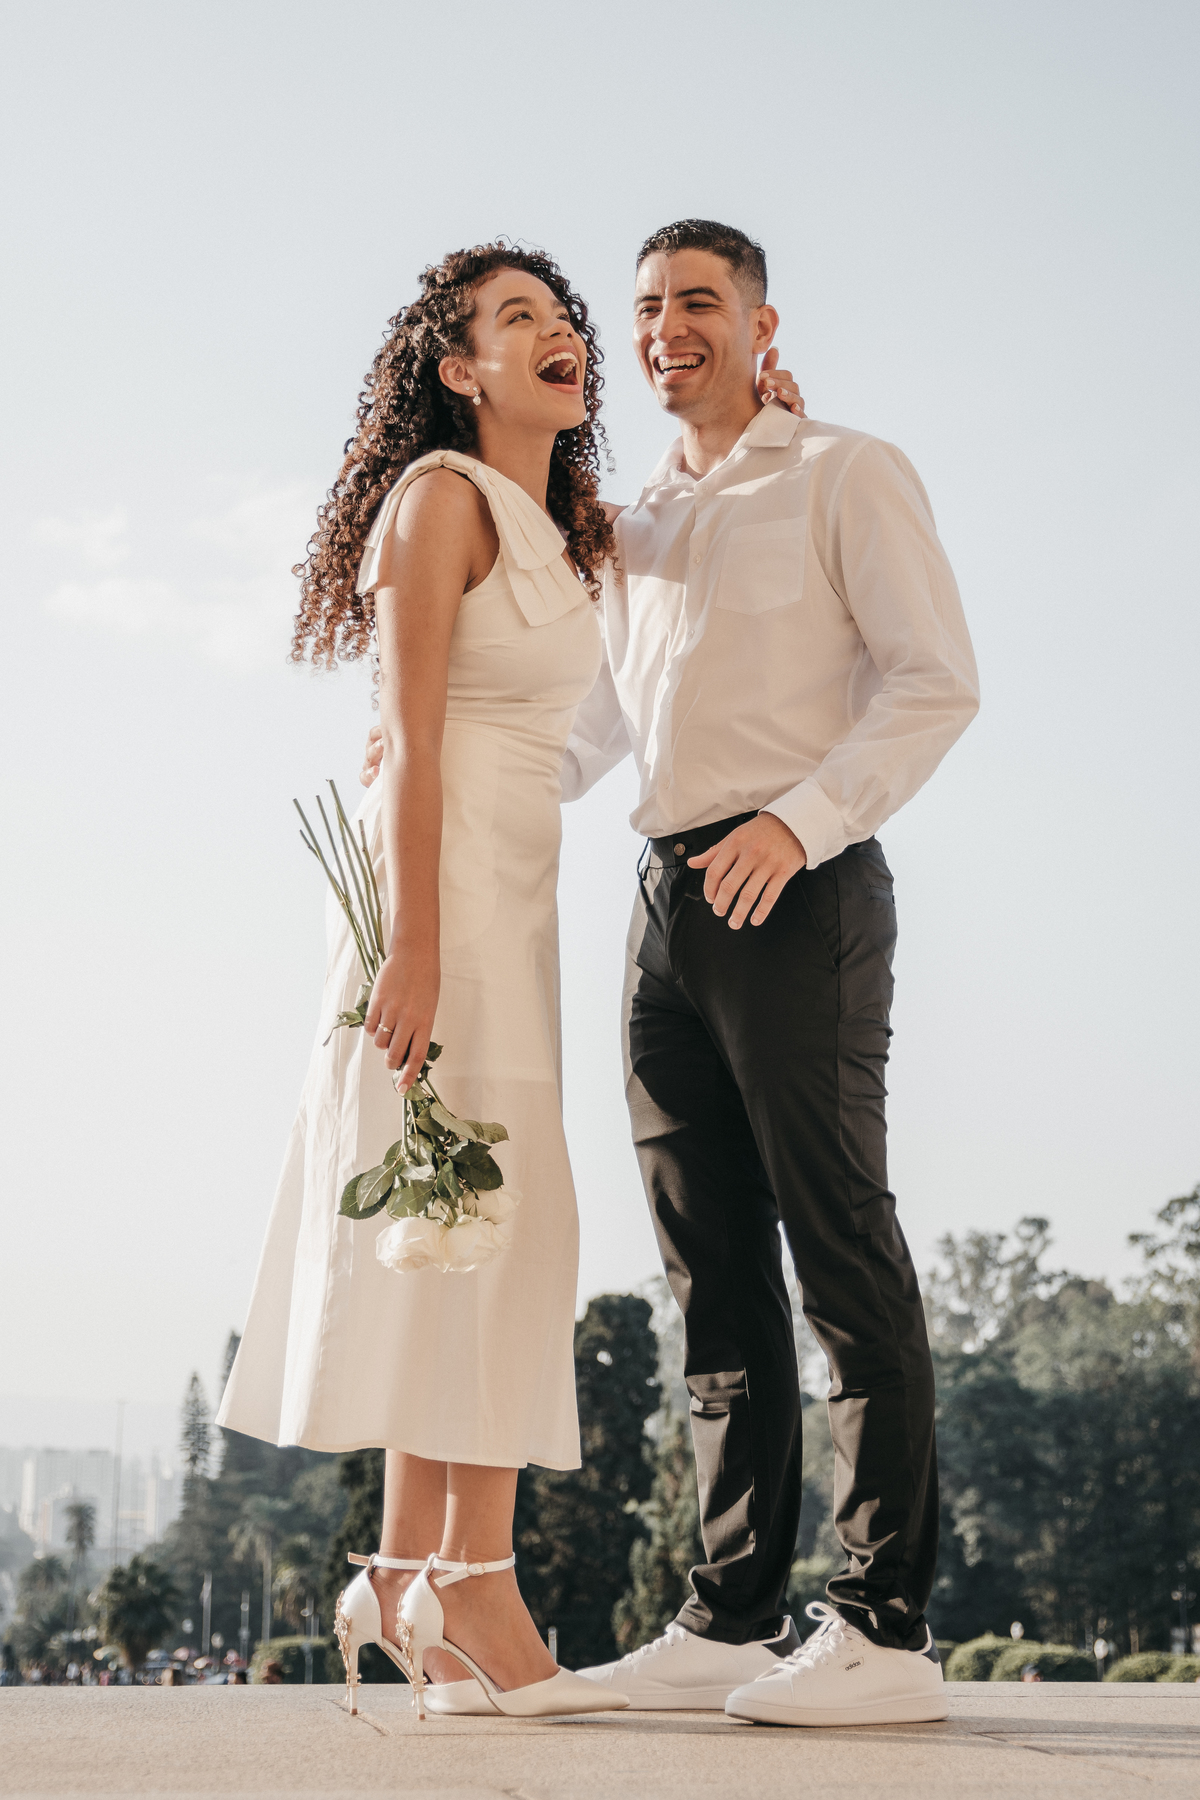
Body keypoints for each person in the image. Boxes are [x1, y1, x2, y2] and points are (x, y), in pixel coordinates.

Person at [368, 219, 976, 1726]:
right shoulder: (632, 523)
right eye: (645, 306)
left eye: (699, 300)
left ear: (763, 325)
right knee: (708, 1266)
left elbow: (934, 683)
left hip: (802, 885)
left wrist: (801, 821)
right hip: (667, 901)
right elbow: (593, 723)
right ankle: (731, 1613)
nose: (663, 328)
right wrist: (436, 758)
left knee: (838, 1239)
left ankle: (885, 1627)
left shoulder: (846, 472)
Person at [219, 239, 797, 1720]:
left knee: (465, 1218)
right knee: (490, 1212)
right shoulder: (440, 499)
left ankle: (410, 1571)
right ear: (458, 368)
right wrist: (412, 947)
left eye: (563, 317)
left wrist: (767, 422)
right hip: (440, 897)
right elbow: (412, 738)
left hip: (506, 885)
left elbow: (670, 560)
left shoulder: (563, 525)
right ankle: (473, 1585)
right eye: (516, 319)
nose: (562, 335)